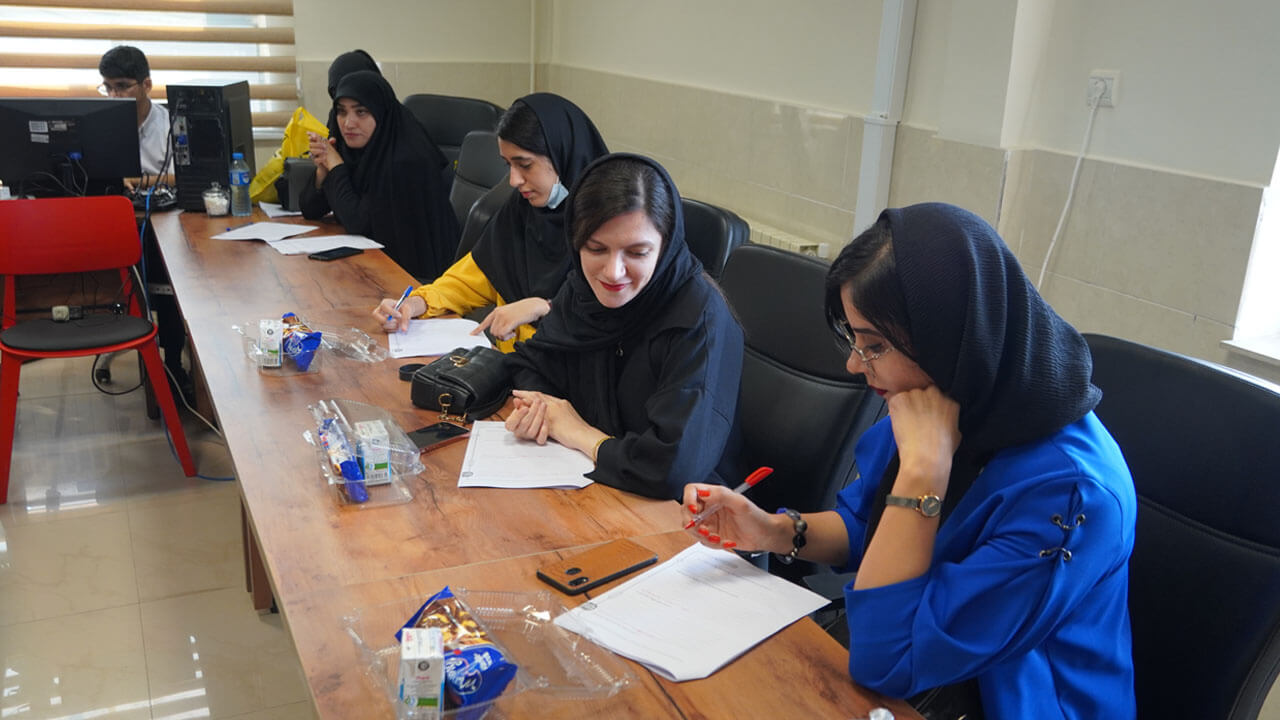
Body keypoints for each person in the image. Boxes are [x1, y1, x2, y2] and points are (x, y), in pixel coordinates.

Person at [682, 203, 1137, 718]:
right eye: (854, 339)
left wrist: (923, 473)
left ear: (949, 338)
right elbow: (868, 528)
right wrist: (774, 531)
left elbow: (888, 661)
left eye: (874, 345)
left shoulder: (1071, 495)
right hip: (917, 675)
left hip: (1008, 700)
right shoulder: (948, 400)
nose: (854, 364)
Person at [504, 154, 744, 501]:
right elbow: (531, 364)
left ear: (665, 246)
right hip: (596, 482)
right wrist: (543, 412)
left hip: (681, 510)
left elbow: (672, 469)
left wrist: (578, 433)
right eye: (596, 248)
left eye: (637, 252)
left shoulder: (699, 320)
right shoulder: (583, 292)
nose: (613, 272)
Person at [372, 93, 609, 352]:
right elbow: (467, 281)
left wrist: (546, 308)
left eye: (525, 165)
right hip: (510, 365)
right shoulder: (520, 213)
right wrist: (415, 304)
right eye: (508, 165)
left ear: (563, 155)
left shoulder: (608, 230)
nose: (514, 181)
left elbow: (605, 319)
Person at [299, 70, 458, 280]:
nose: (348, 123)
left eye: (361, 112)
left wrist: (336, 167)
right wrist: (323, 171)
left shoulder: (404, 162)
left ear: (381, 113)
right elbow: (310, 209)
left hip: (415, 278)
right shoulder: (356, 150)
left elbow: (358, 223)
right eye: (342, 112)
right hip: (376, 264)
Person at [97, 45, 172, 184]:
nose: (113, 95)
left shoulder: (170, 125)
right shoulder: (99, 125)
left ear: (147, 85)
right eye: (108, 87)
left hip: (156, 196)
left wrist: (133, 181)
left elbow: (179, 178)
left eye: (122, 86)